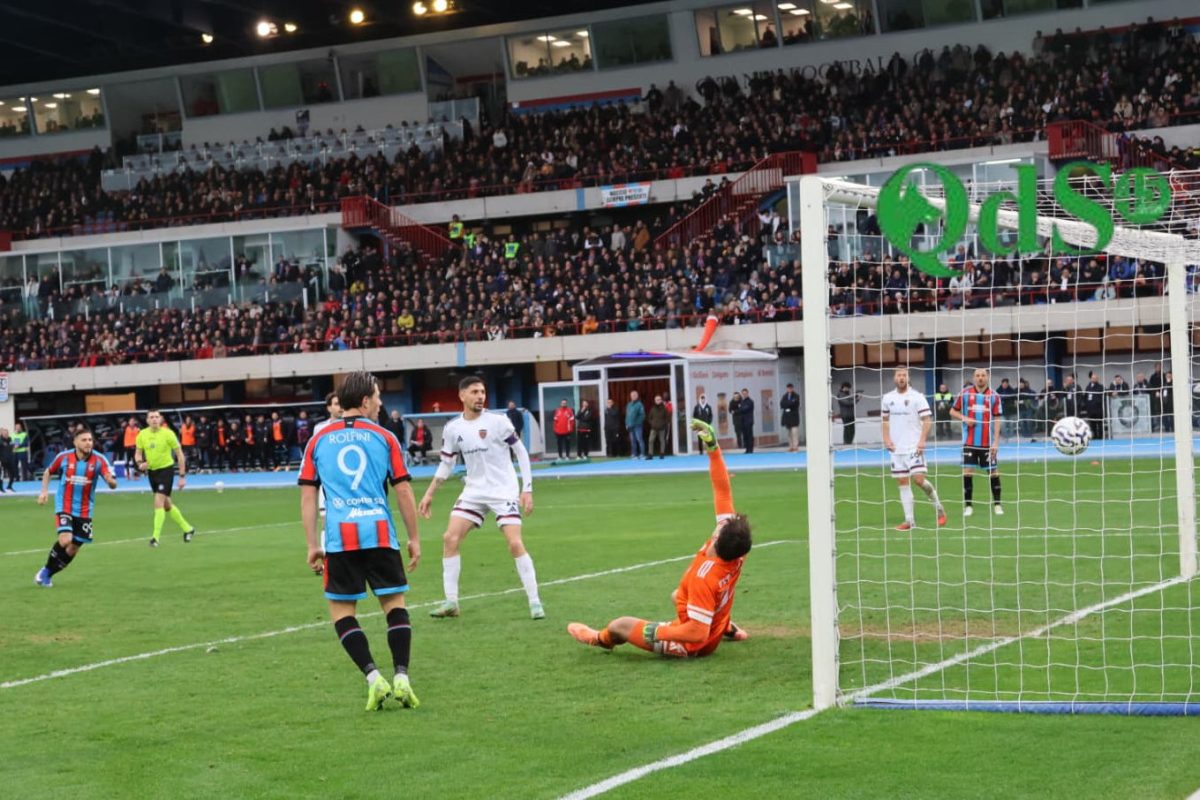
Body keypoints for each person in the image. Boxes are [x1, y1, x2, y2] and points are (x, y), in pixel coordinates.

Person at [567, 419, 752, 658]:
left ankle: (599, 638)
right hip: (713, 623)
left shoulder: (705, 577)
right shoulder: (736, 553)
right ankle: (725, 626)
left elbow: (696, 633)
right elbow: (722, 490)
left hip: (694, 644)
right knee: (678, 595)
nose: (719, 525)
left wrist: (658, 632)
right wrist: (713, 447)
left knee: (621, 625)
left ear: (717, 544)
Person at [298, 371, 421, 711]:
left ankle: (373, 677)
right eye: (378, 396)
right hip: (380, 534)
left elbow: (308, 496)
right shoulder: (385, 437)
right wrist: (414, 537)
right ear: (365, 401)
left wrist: (312, 544)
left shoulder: (318, 440)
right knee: (395, 606)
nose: (381, 403)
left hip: (340, 539)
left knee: (342, 613)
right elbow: (403, 490)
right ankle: (401, 677)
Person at [420, 376, 542, 620]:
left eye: (482, 392)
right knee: (450, 538)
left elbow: (520, 452)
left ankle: (535, 602)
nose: (480, 396)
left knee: (514, 543)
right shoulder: (453, 428)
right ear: (462, 395)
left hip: (503, 490)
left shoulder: (498, 422)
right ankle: (451, 602)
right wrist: (429, 493)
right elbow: (446, 464)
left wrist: (526, 488)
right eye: (474, 392)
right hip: (474, 491)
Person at [33, 426, 118, 587]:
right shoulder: (64, 457)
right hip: (64, 504)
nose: (88, 443)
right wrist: (44, 492)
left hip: (85, 509)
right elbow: (48, 472)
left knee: (73, 548)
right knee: (66, 539)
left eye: (90, 440)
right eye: (84, 440)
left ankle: (48, 573)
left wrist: (110, 481)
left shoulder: (99, 460)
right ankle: (45, 571)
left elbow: (112, 482)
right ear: (75, 442)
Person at [881, 368, 947, 531]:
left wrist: (922, 441)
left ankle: (938, 507)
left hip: (914, 447)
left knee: (918, 480)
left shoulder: (917, 397)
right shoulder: (887, 398)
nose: (901, 378)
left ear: (908, 378)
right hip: (896, 449)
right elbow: (885, 420)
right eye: (899, 375)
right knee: (903, 482)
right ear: (894, 378)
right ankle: (909, 521)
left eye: (904, 375)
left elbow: (927, 420)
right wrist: (886, 439)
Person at [134, 409, 197, 546]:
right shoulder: (142, 434)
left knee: (158, 502)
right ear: (147, 420)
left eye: (156, 417)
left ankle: (155, 538)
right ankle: (188, 529)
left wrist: (182, 476)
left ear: (160, 419)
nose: (154, 419)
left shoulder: (168, 434)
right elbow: (138, 453)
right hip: (152, 472)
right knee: (167, 505)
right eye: (151, 417)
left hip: (166, 471)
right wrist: (140, 463)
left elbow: (180, 454)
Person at [950, 368, 1003, 517]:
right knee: (967, 472)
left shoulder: (994, 396)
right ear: (974, 378)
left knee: (993, 472)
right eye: (978, 375)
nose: (980, 378)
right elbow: (952, 411)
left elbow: (997, 419)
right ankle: (968, 506)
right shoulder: (965, 393)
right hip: (969, 442)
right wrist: (965, 418)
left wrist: (996, 442)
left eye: (983, 375)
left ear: (988, 377)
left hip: (988, 443)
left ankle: (997, 504)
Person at [312, 391, 343, 516]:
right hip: (327, 481)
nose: (340, 407)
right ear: (329, 408)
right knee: (326, 519)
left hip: (347, 480)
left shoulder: (354, 427)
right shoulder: (320, 428)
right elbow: (315, 453)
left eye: (342, 404)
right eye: (337, 404)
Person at [780, 383, 800, 452]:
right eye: (788, 388)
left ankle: (795, 446)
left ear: (792, 388)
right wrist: (789, 403)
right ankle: (791, 446)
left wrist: (788, 404)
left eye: (790, 388)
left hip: (794, 417)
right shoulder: (784, 396)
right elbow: (782, 404)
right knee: (789, 433)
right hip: (787, 417)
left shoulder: (796, 396)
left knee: (794, 433)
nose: (789, 389)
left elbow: (794, 404)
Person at [625, 390, 646, 460]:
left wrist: (637, 422)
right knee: (632, 441)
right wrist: (626, 423)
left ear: (637, 396)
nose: (633, 396)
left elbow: (642, 415)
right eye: (632, 395)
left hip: (637, 426)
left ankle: (642, 454)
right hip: (630, 425)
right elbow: (627, 415)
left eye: (634, 395)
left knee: (639, 439)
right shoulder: (629, 405)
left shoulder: (640, 404)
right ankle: (634, 454)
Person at [739, 388, 755, 453]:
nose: (744, 395)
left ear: (747, 393)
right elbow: (740, 409)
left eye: (745, 393)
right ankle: (747, 448)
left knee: (749, 435)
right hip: (743, 421)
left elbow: (745, 409)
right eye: (743, 394)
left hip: (749, 420)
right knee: (745, 435)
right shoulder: (742, 401)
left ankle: (750, 449)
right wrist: (741, 408)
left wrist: (741, 408)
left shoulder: (750, 401)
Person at [0, 427, 16, 491]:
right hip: (2, 460)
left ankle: (9, 486)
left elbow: (13, 445)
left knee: (13, 473)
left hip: (10, 459)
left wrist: (14, 446)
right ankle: (1, 488)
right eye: (5, 433)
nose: (6, 435)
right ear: (2, 434)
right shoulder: (0, 440)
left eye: (7, 433)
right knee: (2, 474)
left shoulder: (10, 439)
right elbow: (7, 446)